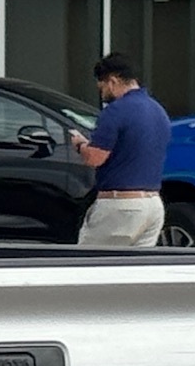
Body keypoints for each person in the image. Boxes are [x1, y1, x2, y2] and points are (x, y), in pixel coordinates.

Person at [69, 53, 172, 246]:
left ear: (112, 81)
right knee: (135, 265)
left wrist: (81, 145)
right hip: (153, 205)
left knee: (90, 261)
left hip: (121, 205)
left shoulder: (116, 111)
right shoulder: (158, 111)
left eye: (102, 87)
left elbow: (94, 158)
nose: (102, 94)